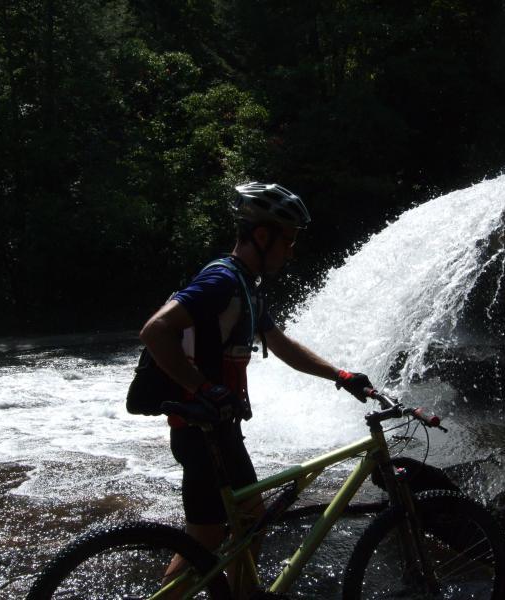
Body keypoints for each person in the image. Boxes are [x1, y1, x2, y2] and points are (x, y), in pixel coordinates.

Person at [139, 182, 373, 590]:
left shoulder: (247, 288)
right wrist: (204, 389)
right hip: (202, 432)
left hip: (218, 431)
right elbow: (155, 330)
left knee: (251, 520)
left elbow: (280, 343)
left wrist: (340, 375)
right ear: (262, 236)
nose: (291, 251)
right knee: (205, 541)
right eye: (288, 240)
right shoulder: (222, 282)